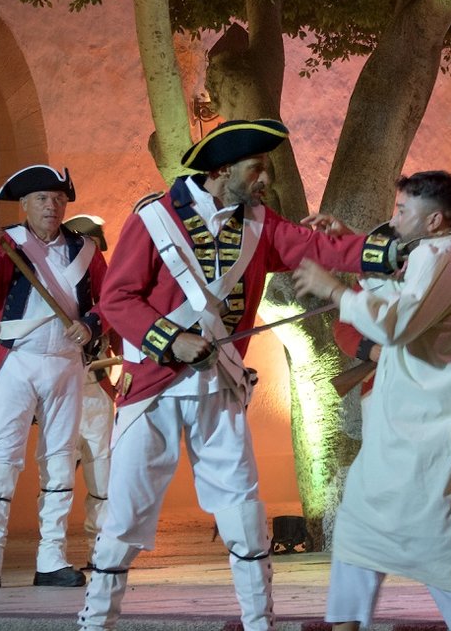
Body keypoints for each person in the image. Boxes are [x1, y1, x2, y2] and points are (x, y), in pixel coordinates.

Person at [78, 119, 389, 631]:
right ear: (223, 170)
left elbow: (319, 250)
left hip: (218, 384)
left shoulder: (259, 223)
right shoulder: (154, 219)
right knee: (125, 515)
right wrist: (171, 340)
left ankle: (259, 622)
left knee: (244, 511)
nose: (265, 178)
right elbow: (116, 298)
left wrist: (392, 250)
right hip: (152, 386)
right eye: (257, 168)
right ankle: (95, 623)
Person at [292, 170, 451, 631]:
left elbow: (397, 323)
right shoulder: (431, 254)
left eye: (403, 211)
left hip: (438, 440)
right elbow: (397, 292)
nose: (394, 218)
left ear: (434, 220)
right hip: (407, 437)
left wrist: (333, 289)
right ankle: (346, 624)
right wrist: (351, 247)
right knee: (358, 529)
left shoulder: (442, 259)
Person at [0, 165, 108, 590]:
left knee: (60, 459)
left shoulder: (85, 250)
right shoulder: (7, 243)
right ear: (24, 205)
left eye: (58, 198)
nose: (52, 205)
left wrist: (92, 325)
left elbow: (113, 298)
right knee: (2, 458)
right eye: (43, 199)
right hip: (17, 361)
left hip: (66, 362)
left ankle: (52, 558)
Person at [63, 214, 119, 549]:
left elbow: (123, 338)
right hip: (63, 392)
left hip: (96, 388)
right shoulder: (57, 287)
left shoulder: (109, 290)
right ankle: (52, 553)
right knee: (56, 474)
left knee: (102, 472)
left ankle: (101, 547)